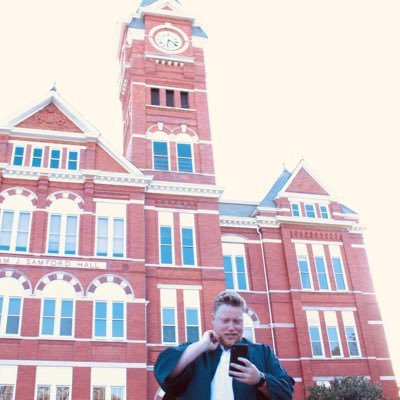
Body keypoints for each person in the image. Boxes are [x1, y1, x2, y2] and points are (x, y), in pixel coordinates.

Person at [154, 290, 295, 399]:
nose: (231, 327)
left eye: (237, 321)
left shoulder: (262, 353)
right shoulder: (196, 352)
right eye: (225, 321)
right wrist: (202, 345)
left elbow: (286, 392)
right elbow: (165, 372)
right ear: (213, 320)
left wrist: (259, 379)